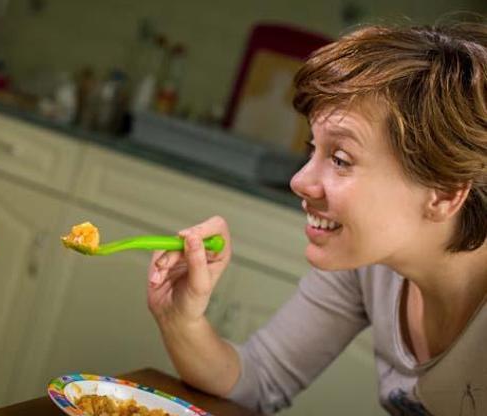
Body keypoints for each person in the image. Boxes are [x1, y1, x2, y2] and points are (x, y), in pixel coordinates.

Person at [147, 20, 487, 416]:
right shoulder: (370, 265)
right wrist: (181, 320)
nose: (299, 181)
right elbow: (259, 378)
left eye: (340, 159)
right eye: (314, 149)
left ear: (444, 193)